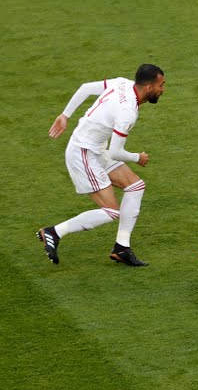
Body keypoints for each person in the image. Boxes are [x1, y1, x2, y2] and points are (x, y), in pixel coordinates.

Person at [37, 64, 165, 266]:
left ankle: (122, 248)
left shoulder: (122, 83)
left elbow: (85, 88)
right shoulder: (128, 112)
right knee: (111, 211)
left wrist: (65, 115)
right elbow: (116, 152)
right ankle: (54, 232)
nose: (163, 89)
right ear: (149, 87)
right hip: (83, 153)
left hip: (96, 149)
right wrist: (137, 157)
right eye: (161, 85)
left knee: (135, 186)